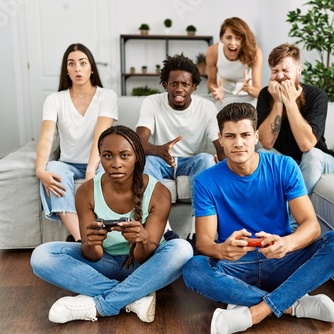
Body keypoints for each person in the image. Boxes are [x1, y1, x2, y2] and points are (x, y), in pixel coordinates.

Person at [182, 103, 334, 334]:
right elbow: (203, 242)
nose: (238, 143)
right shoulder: (205, 180)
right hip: (235, 266)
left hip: (282, 259)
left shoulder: (284, 166)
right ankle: (293, 305)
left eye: (244, 135)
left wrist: (287, 243)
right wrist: (222, 250)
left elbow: (311, 226)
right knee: (194, 269)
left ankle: (254, 311)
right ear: (220, 139)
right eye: (230, 136)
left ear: (256, 137)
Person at [30, 125, 193, 324]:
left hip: (144, 265)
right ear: (100, 157)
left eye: (125, 156)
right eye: (108, 156)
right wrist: (90, 243)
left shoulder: (158, 193)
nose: (116, 164)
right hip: (103, 263)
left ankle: (101, 305)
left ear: (137, 157)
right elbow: (93, 255)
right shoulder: (87, 191)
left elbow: (144, 256)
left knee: (183, 249)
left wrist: (142, 240)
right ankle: (133, 297)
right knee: (41, 256)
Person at [36, 43, 118, 242]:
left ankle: (108, 236)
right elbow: (46, 137)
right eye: (71, 64)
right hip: (68, 163)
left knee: (111, 174)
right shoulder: (55, 99)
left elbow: (102, 136)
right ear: (66, 70)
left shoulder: (107, 96)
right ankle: (82, 240)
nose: (77, 69)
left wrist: (91, 171)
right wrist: (40, 170)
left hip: (99, 161)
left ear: (91, 68)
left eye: (83, 63)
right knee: (53, 168)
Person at [136, 53, 226, 206]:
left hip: (193, 161)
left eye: (185, 84)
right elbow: (138, 140)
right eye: (173, 84)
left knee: (206, 159)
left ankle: (198, 226)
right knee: (148, 161)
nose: (179, 89)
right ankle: (162, 228)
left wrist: (229, 169)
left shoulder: (206, 107)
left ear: (194, 86)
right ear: (165, 84)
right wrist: (159, 151)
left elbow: (220, 145)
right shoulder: (152, 102)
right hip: (161, 161)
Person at [256, 43, 334, 197]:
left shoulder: (317, 96)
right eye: (275, 71)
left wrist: (290, 102)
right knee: (262, 153)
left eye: (286, 71)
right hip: (286, 160)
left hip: (318, 159)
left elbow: (307, 145)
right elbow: (267, 143)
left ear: (298, 71)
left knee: (311, 155)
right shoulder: (265, 95)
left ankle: (296, 217)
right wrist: (278, 102)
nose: (280, 76)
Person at [206, 17, 263, 105]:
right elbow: (211, 81)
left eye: (238, 38)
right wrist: (215, 90)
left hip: (245, 94)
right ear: (222, 38)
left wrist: (249, 89)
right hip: (222, 95)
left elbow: (258, 91)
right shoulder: (213, 52)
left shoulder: (255, 52)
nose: (233, 43)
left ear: (244, 40)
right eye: (228, 37)